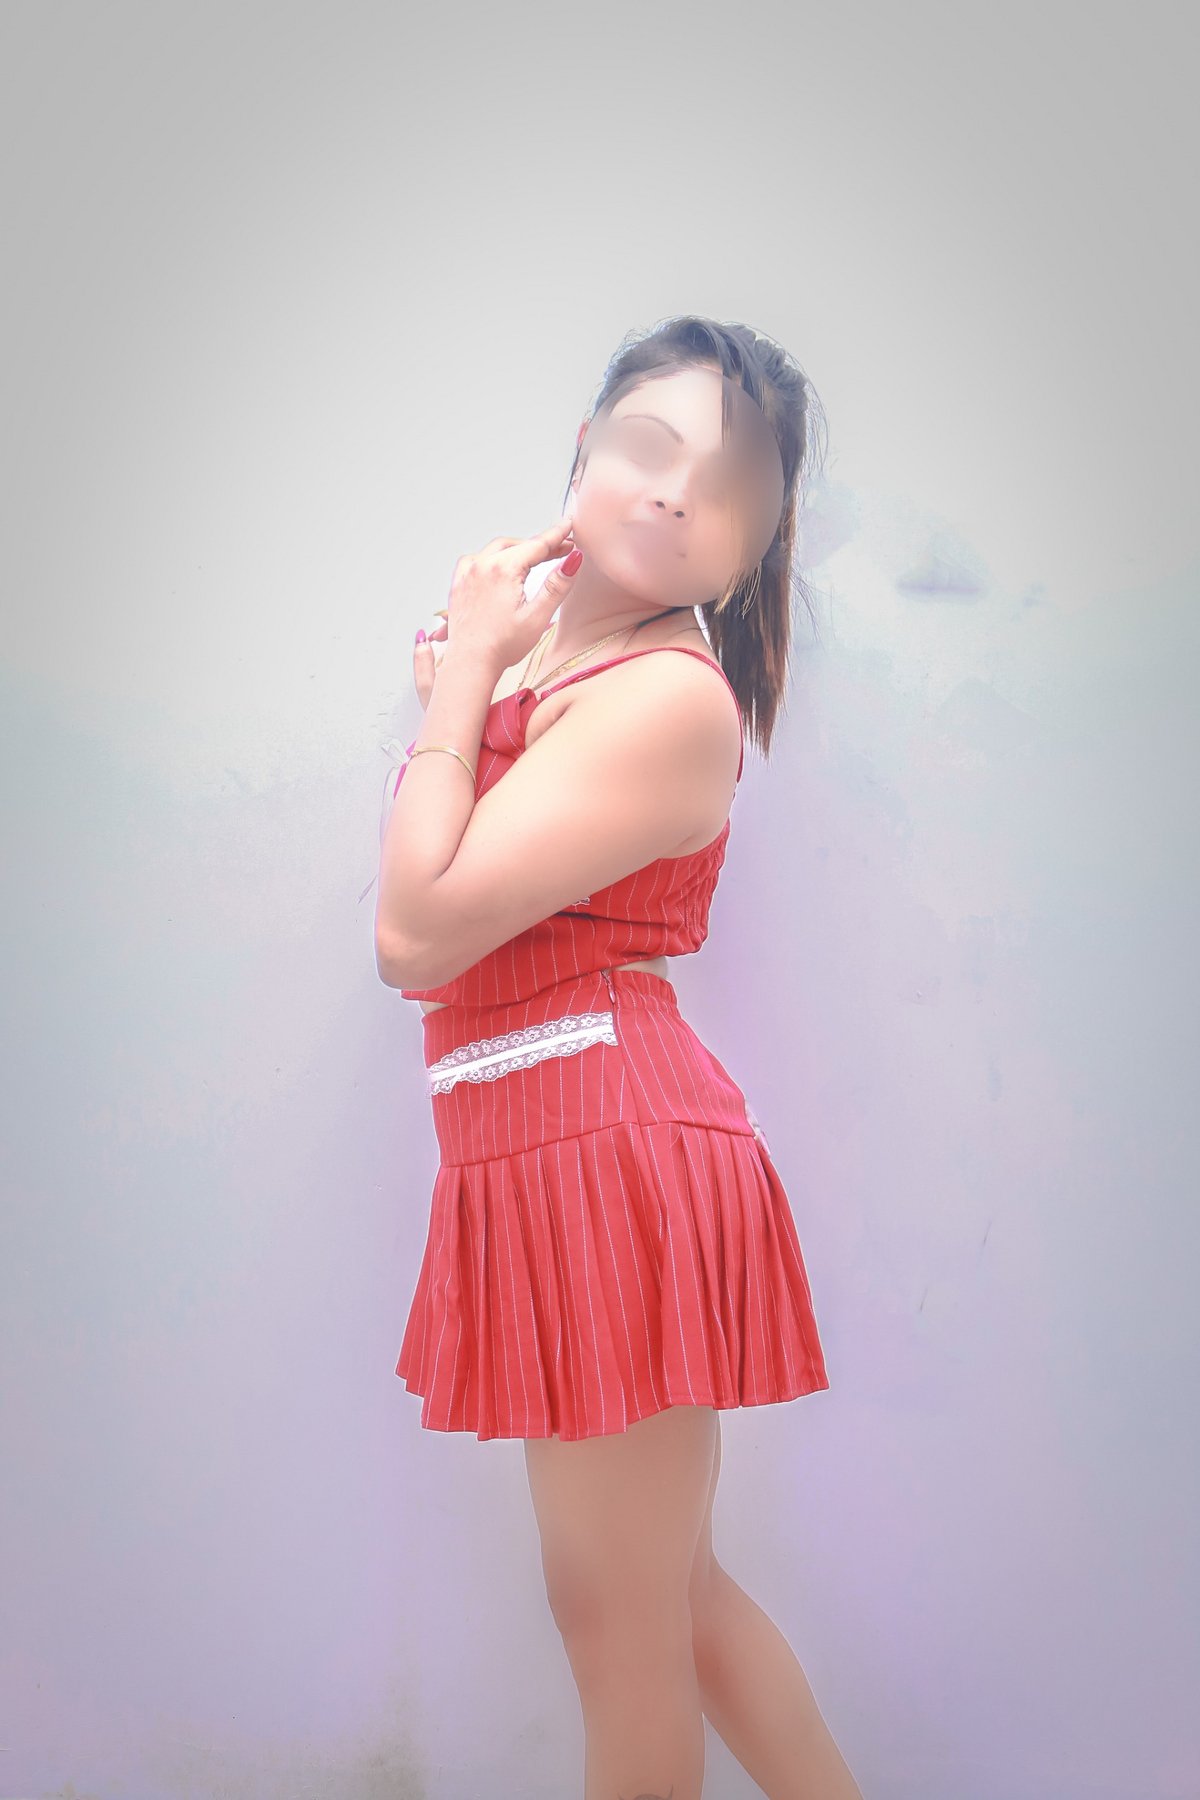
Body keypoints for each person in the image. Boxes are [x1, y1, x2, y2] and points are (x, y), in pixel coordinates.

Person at [375, 314, 863, 1800]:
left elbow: (417, 932)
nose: (674, 490)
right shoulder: (566, 672)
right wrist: (482, 679)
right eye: (649, 444)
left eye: (728, 483)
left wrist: (461, 683)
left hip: (607, 1147)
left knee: (622, 1628)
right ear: (584, 450)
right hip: (545, 1138)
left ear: (752, 550)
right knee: (670, 1609)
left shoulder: (665, 696)